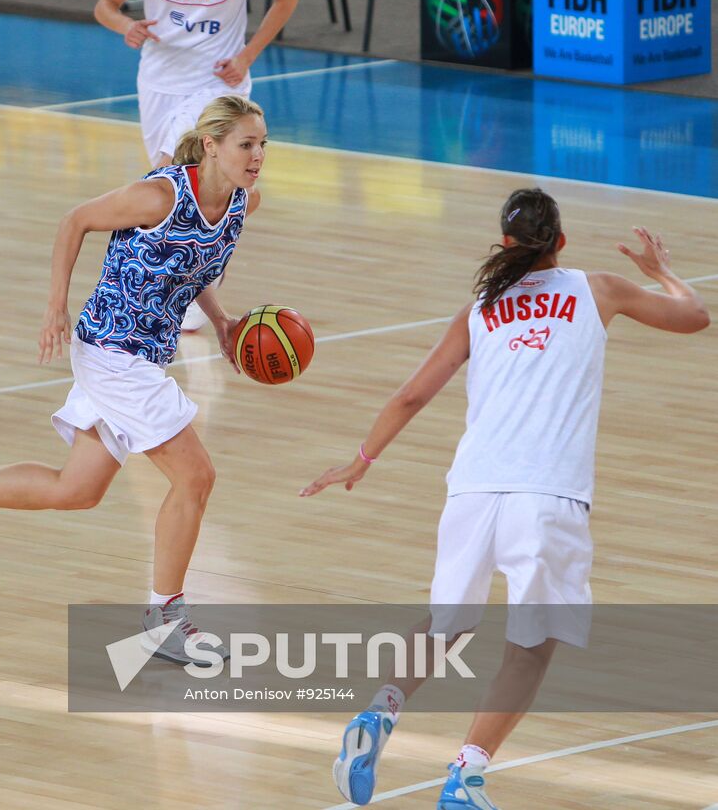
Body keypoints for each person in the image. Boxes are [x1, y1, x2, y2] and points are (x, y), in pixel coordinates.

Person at [300, 188, 710, 809]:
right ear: (560, 243)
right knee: (532, 645)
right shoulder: (597, 288)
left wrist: (358, 462)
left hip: (472, 487)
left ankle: (380, 713)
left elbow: (411, 396)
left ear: (505, 243)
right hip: (547, 493)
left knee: (447, 622)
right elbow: (694, 316)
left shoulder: (480, 309)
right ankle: (465, 777)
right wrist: (663, 273)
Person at [0, 95, 267, 664]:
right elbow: (75, 220)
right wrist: (55, 306)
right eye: (246, 144)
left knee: (76, 490)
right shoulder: (159, 195)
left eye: (262, 145)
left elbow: (190, 267)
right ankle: (164, 622)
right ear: (211, 145)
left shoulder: (240, 205)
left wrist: (224, 321)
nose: (257, 156)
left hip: (141, 357)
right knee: (196, 477)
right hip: (113, 353)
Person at [94, 0, 295, 332]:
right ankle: (195, 276)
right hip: (160, 80)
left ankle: (191, 292)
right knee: (175, 193)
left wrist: (247, 55)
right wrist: (127, 25)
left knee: (178, 175)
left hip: (215, 85)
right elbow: (104, 5)